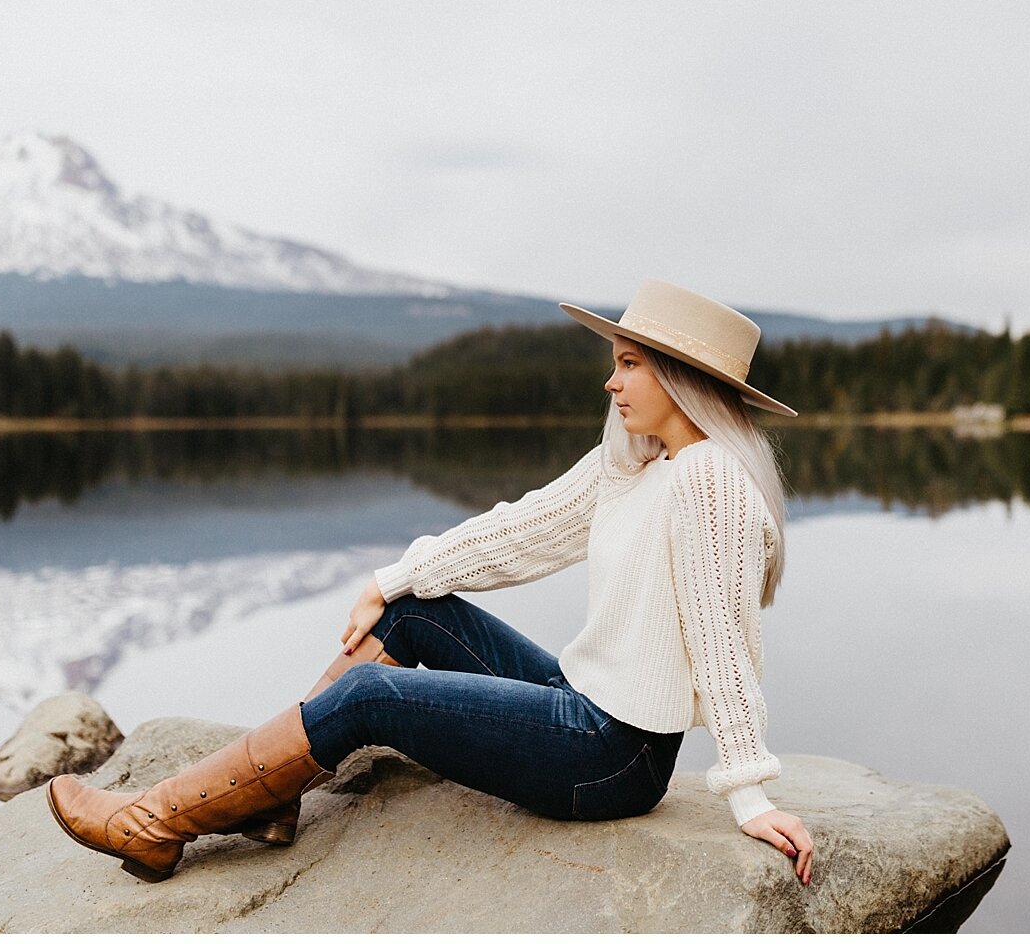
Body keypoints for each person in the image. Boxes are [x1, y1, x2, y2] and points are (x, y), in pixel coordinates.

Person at [47, 278, 816, 889]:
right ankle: (273, 795)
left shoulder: (710, 479)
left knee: (368, 698)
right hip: (584, 705)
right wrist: (394, 578)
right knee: (417, 613)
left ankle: (158, 820)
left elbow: (721, 637)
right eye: (615, 359)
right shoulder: (641, 465)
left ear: (681, 376)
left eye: (628, 362)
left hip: (615, 755)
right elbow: (528, 527)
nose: (609, 381)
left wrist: (749, 790)